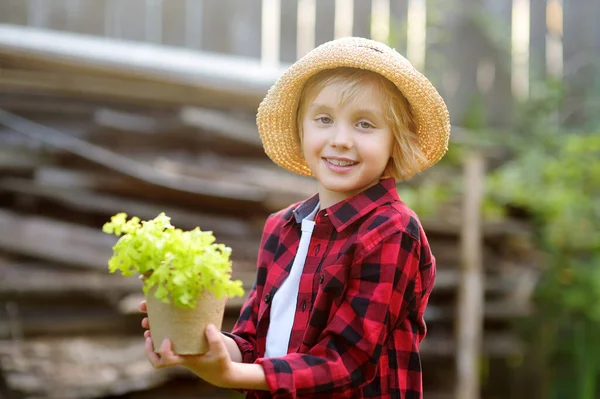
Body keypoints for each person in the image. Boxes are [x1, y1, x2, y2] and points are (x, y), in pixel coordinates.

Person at [139, 37, 450, 398]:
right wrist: (197, 346)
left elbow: (349, 360)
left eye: (365, 124)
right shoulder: (282, 227)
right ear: (301, 129)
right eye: (324, 119)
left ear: (395, 142)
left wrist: (232, 376)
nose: (341, 139)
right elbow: (254, 342)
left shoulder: (392, 231)